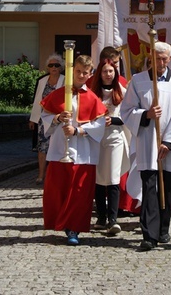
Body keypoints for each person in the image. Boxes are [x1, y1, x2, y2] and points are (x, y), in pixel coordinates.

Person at [120, 41, 171, 251]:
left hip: (169, 145)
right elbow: (127, 110)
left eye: (164, 59)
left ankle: (163, 227)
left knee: (166, 187)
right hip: (147, 142)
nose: (160, 62)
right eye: (156, 58)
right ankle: (149, 235)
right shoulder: (138, 80)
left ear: (170, 59)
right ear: (150, 58)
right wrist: (146, 115)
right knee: (149, 187)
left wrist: (169, 143)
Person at [40, 55, 107, 246]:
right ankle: (61, 223)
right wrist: (57, 119)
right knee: (59, 190)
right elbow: (45, 116)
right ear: (72, 71)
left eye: (85, 73)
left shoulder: (93, 98)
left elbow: (99, 125)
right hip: (60, 150)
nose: (81, 75)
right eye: (78, 71)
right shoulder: (58, 94)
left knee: (79, 192)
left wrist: (78, 130)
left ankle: (74, 228)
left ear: (90, 74)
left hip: (84, 153)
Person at [91, 58, 130, 234]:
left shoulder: (122, 92)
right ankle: (101, 217)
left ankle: (113, 219)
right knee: (99, 177)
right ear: (100, 73)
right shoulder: (92, 93)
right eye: (105, 71)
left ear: (115, 73)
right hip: (97, 138)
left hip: (115, 137)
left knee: (113, 176)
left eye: (111, 71)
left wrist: (111, 119)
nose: (108, 74)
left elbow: (128, 116)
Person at [29, 53, 65, 184]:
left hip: (58, 119)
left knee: (56, 147)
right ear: (47, 67)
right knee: (42, 147)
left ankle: (54, 175)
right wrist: (33, 119)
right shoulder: (42, 81)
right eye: (51, 65)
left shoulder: (65, 80)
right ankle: (41, 175)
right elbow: (37, 100)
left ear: (60, 67)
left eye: (56, 65)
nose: (54, 67)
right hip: (43, 120)